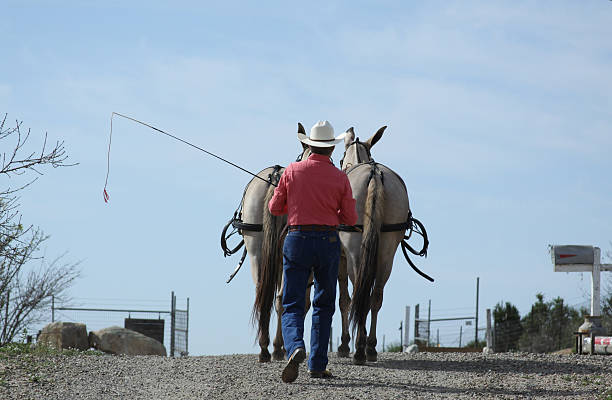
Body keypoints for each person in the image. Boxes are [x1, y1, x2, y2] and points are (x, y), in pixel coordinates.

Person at [268, 120, 358, 383]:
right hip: (328, 241)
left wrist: (287, 198)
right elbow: (350, 218)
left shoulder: (292, 171)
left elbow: (275, 208)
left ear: (308, 145)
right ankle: (317, 365)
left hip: (296, 239)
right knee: (324, 304)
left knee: (293, 302)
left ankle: (295, 346)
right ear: (331, 149)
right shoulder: (341, 177)